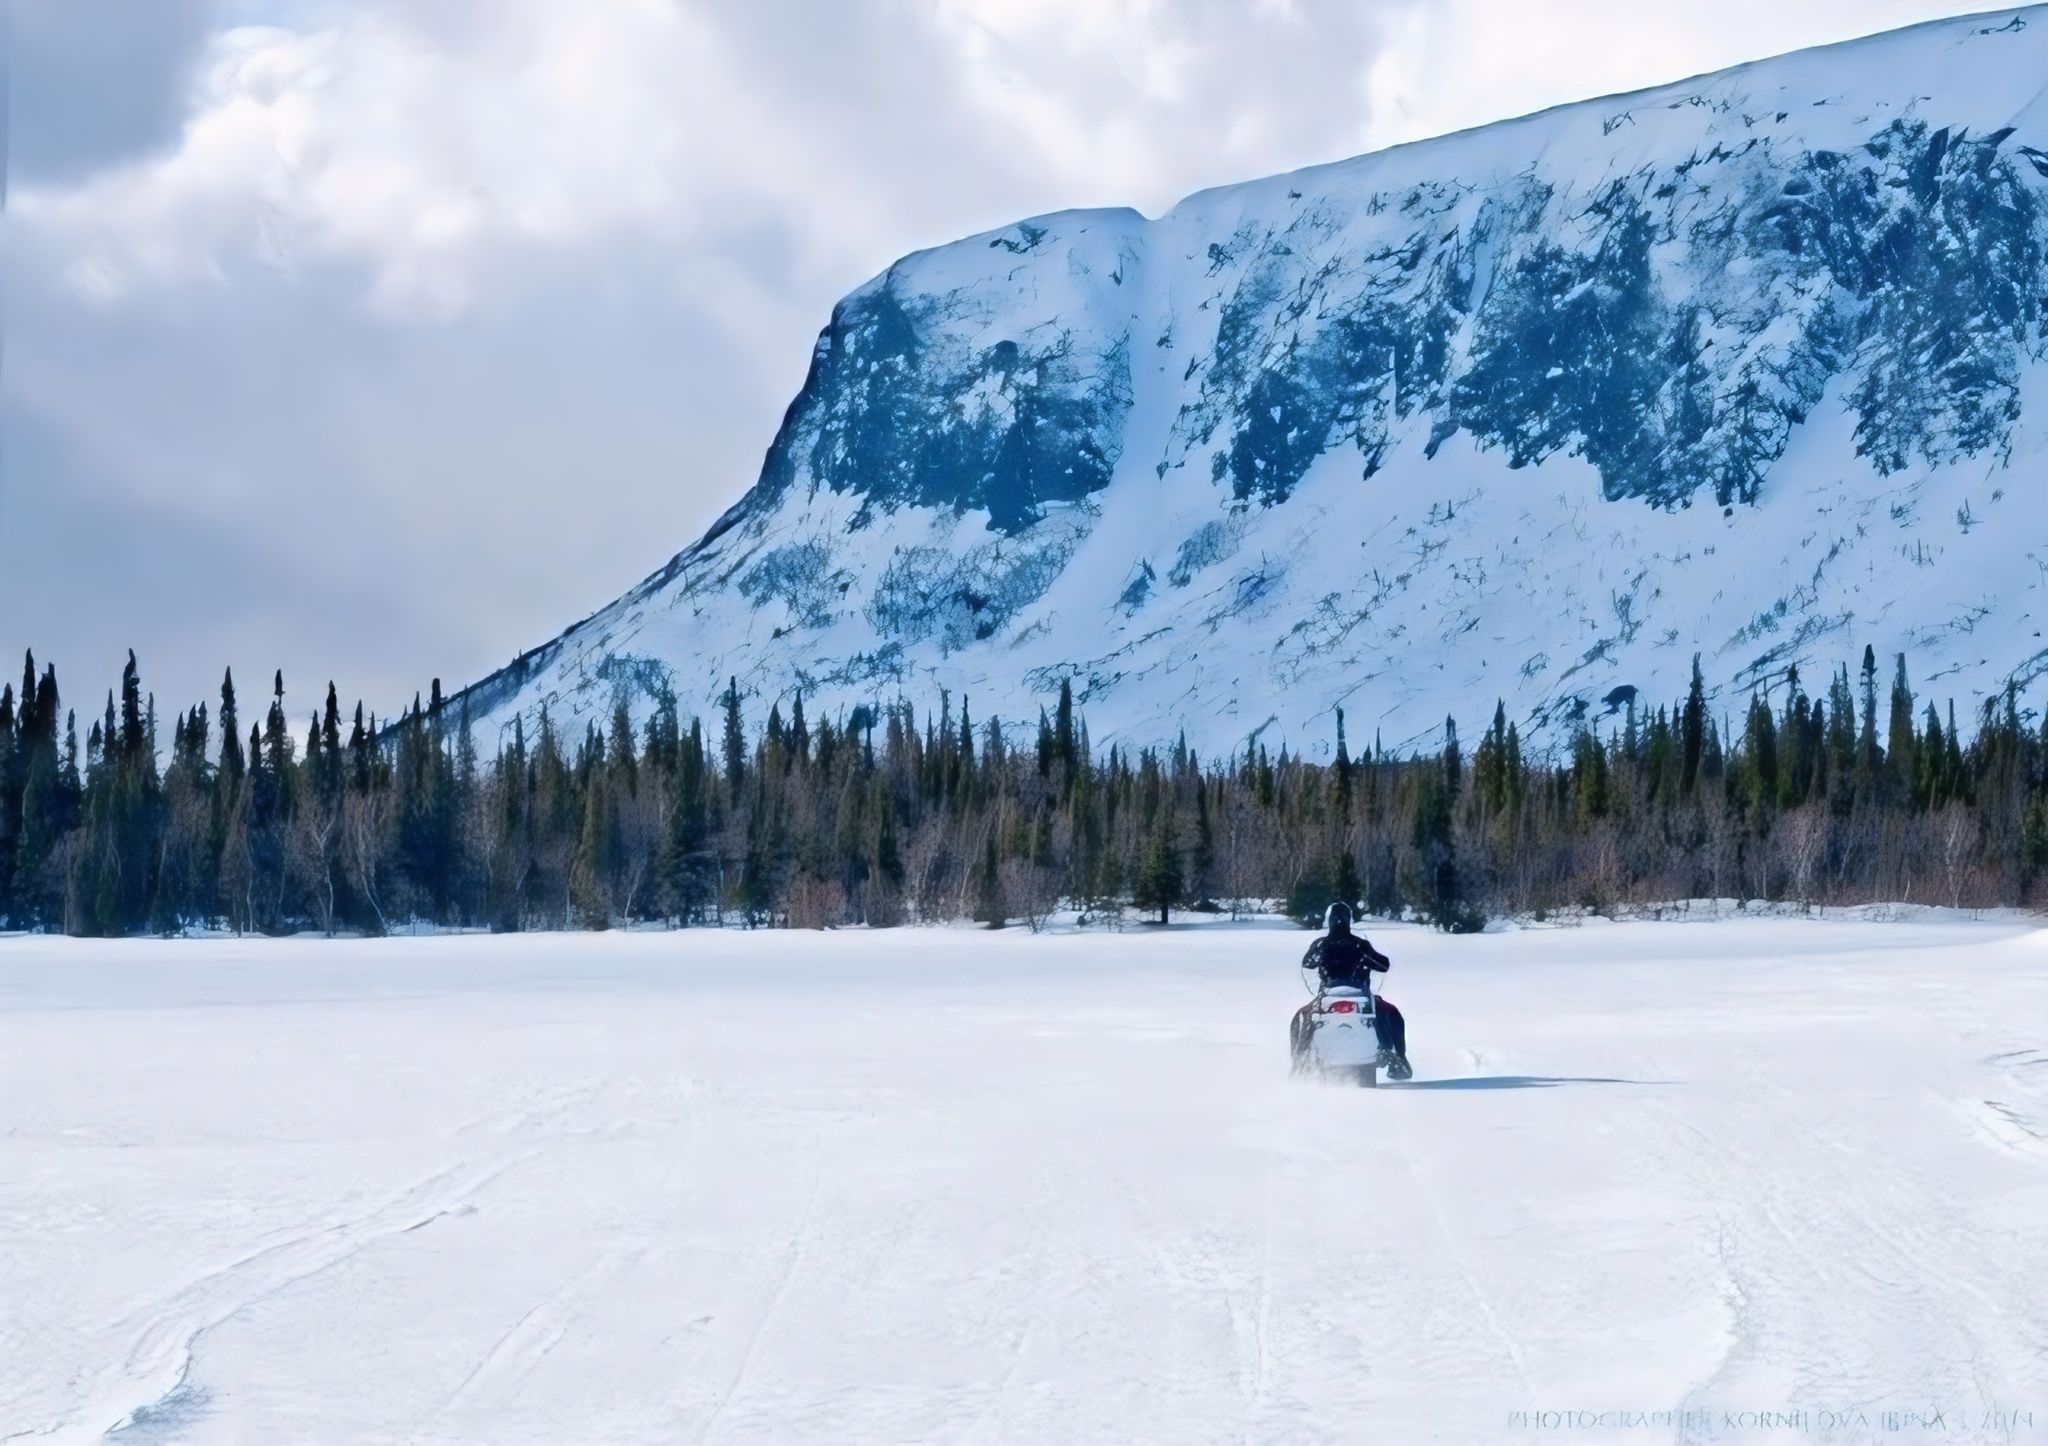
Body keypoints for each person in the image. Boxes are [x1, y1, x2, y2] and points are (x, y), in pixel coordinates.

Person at [1291, 901, 1410, 1078]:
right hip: (1358, 993)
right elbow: (1383, 965)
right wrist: (1367, 959)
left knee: (1301, 1016)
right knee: (1391, 1013)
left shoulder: (1321, 945)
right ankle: (1394, 1056)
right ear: (1348, 920)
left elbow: (1307, 963)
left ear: (1329, 920)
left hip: (1328, 994)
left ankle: (1299, 1061)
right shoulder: (1359, 945)